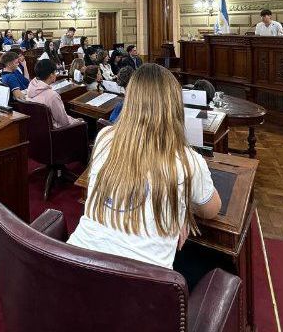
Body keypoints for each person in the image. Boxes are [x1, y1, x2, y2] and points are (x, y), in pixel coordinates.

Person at [68, 64, 221, 290]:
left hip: (71, 271)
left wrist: (174, 207)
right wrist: (181, 209)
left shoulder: (104, 137)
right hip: (140, 294)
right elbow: (211, 209)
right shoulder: (188, 159)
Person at [26, 59, 83, 128]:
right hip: (57, 132)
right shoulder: (52, 96)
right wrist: (76, 121)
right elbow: (64, 122)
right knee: (82, 121)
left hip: (38, 128)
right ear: (51, 75)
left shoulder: (31, 87)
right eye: (55, 72)